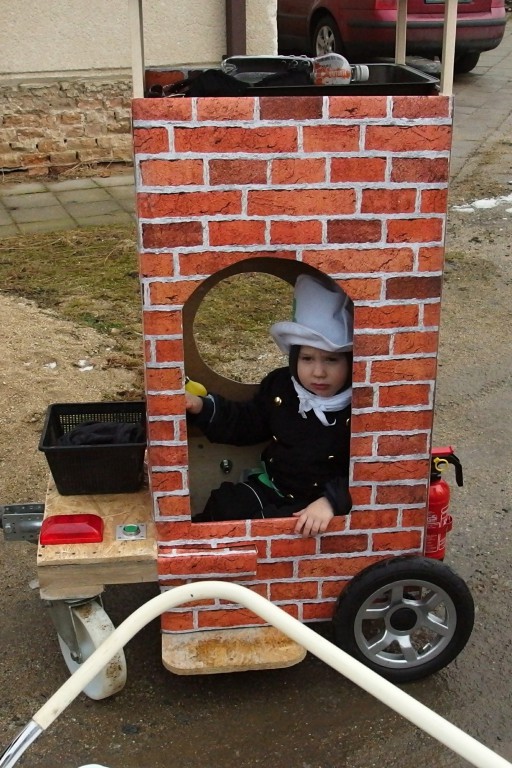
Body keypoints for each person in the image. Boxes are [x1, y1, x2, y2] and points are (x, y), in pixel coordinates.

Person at [185, 274, 353, 537]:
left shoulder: (361, 404)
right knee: (226, 504)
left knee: (273, 531)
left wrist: (333, 500)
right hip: (275, 487)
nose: (318, 372)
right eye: (307, 358)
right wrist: (202, 407)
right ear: (294, 359)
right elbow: (248, 422)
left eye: (331, 360)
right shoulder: (282, 387)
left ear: (349, 361)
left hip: (317, 507)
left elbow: (374, 469)